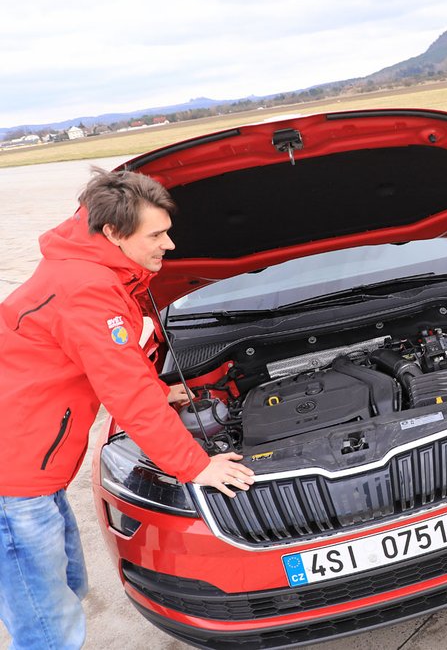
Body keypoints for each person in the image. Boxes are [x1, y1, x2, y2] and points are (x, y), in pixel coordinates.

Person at [0, 168, 256, 648]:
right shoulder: (87, 288)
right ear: (114, 233)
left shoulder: (90, 270)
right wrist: (194, 465)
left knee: (68, 591)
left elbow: (103, 362)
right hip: (14, 482)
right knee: (47, 631)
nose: (170, 245)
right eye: (157, 234)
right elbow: (126, 392)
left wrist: (164, 394)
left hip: (33, 467)